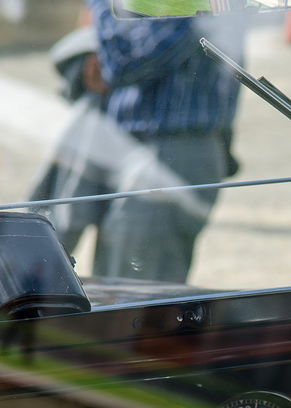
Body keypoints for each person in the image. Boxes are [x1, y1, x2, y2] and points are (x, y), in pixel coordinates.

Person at [58, 0, 246, 282]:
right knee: (113, 291)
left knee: (137, 305)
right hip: (137, 147)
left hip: (170, 153)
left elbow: (126, 60)